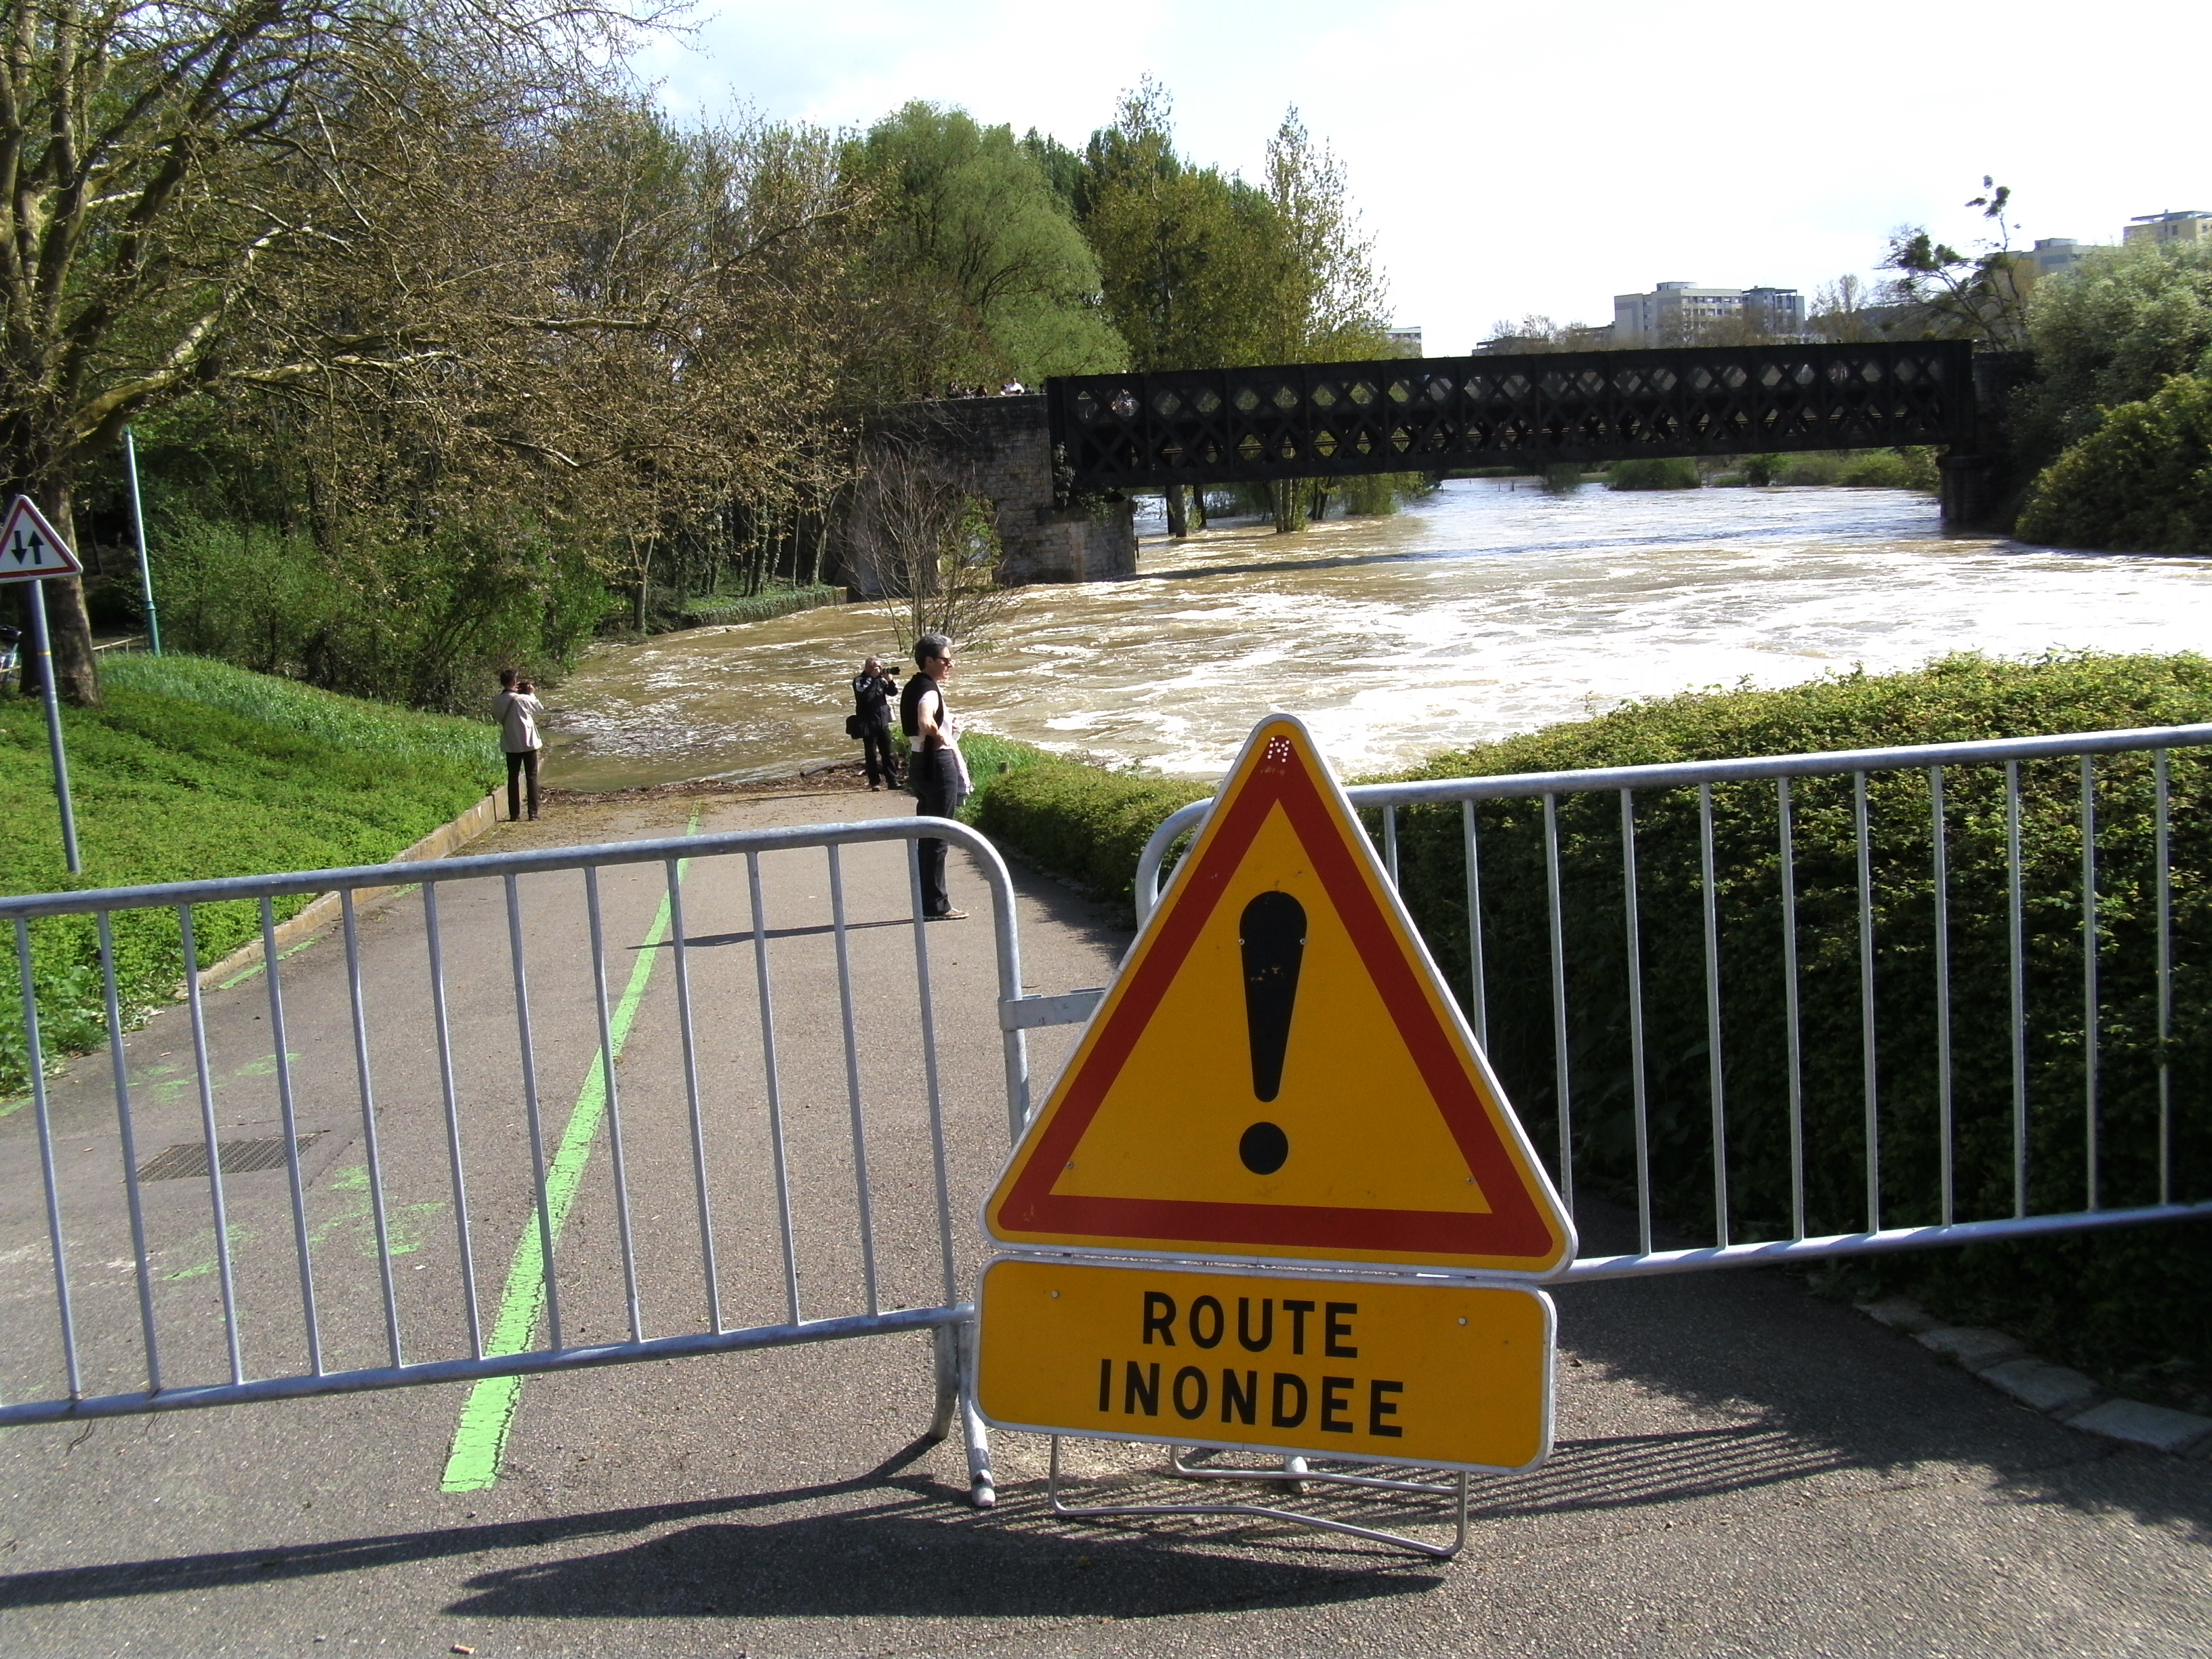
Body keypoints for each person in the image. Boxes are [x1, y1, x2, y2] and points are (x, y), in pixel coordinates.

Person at [900, 634, 970, 920]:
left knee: (926, 835)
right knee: (939, 835)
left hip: (919, 763)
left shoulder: (913, 685)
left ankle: (926, 902)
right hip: (937, 764)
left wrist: (946, 724)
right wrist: (942, 735)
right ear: (929, 661)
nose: (950, 664)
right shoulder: (929, 691)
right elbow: (925, 719)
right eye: (945, 659)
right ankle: (937, 906)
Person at [493, 668, 547, 822]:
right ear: (515, 682)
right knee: (531, 777)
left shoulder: (497, 700)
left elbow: (497, 716)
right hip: (528, 742)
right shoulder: (523, 699)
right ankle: (533, 813)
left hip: (511, 743)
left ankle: (514, 814)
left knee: (513, 777)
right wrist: (531, 693)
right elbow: (538, 708)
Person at [850, 655, 899, 790]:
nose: (877, 670)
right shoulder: (859, 681)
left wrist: (890, 681)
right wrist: (872, 677)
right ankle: (875, 782)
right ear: (867, 668)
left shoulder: (881, 681)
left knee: (888, 753)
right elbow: (864, 695)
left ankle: (893, 781)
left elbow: (893, 693)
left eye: (879, 667)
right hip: (868, 723)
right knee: (871, 754)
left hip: (883, 722)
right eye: (874, 667)